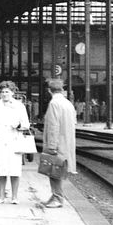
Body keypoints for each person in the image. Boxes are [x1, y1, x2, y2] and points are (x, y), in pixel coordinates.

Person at [0, 80, 31, 204]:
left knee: (15, 169)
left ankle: (14, 197)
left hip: (14, 140)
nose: (5, 94)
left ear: (13, 92)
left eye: (7, 92)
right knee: (1, 169)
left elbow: (26, 124)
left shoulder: (20, 106)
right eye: (3, 92)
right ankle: (1, 196)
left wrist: (19, 125)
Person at [40, 78, 76, 208]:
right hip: (66, 141)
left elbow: (53, 126)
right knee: (58, 170)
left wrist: (51, 146)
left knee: (54, 170)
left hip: (57, 142)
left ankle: (57, 198)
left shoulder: (54, 103)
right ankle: (55, 196)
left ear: (49, 90)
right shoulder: (68, 103)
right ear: (62, 90)